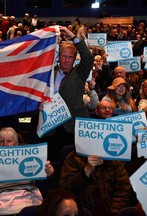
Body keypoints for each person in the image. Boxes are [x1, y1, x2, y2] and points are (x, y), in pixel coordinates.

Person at [42, 26, 94, 162]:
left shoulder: (80, 72)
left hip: (73, 124)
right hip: (52, 125)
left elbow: (88, 57)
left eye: (70, 57)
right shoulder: (49, 73)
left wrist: (72, 36)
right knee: (52, 159)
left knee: (74, 162)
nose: (66, 60)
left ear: (74, 59)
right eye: (64, 56)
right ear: (59, 57)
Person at [0, 127, 54, 215]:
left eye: (9, 141)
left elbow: (41, 175)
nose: (5, 144)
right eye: (1, 141)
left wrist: (47, 171)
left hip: (29, 204)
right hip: (0, 207)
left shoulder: (27, 155)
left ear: (16, 144)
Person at [59, 152, 133, 215]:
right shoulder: (73, 157)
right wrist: (87, 171)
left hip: (109, 211)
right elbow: (66, 189)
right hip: (82, 211)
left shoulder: (114, 160)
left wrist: (113, 213)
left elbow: (123, 190)